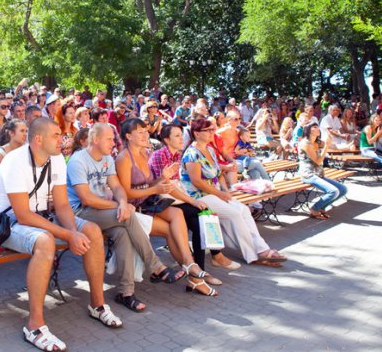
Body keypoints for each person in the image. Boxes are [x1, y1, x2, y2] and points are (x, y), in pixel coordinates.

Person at [0, 118, 122, 351]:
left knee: (91, 230)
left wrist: (73, 232)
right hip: (7, 223)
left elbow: (62, 205)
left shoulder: (57, 160)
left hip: (41, 217)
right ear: (38, 139)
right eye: (56, 135)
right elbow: (22, 215)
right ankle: (34, 325)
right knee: (45, 241)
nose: (62, 139)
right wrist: (66, 234)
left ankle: (98, 304)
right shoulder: (15, 161)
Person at [69, 124, 216, 312]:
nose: (114, 143)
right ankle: (156, 267)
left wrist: (122, 202)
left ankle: (126, 293)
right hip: (81, 214)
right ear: (95, 139)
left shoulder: (106, 158)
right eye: (109, 139)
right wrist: (122, 205)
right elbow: (86, 199)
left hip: (103, 211)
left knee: (124, 234)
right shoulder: (78, 160)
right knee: (130, 217)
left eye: (113, 139)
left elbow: (117, 188)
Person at [115, 118, 220, 294]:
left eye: (145, 131)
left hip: (147, 204)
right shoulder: (124, 158)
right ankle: (194, 274)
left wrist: (162, 178)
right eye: (139, 132)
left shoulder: (145, 153)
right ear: (128, 136)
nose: (145, 134)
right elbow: (125, 193)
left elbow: (150, 186)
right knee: (176, 227)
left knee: (178, 214)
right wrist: (157, 187)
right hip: (132, 209)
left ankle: (191, 266)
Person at [180, 118, 287, 267]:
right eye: (208, 130)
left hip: (214, 192)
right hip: (198, 196)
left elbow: (218, 173)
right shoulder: (192, 153)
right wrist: (220, 194)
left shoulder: (209, 149)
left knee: (243, 209)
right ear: (197, 133)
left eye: (213, 129)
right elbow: (196, 181)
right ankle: (253, 254)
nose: (212, 132)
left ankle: (262, 249)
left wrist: (225, 190)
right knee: (235, 214)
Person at [149, 124, 239, 271]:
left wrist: (191, 200)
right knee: (203, 213)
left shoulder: (177, 154)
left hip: (176, 199)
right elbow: (166, 188)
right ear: (166, 139)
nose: (181, 139)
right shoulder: (159, 155)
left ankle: (201, 269)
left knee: (200, 221)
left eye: (181, 135)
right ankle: (210, 262)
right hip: (161, 201)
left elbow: (176, 185)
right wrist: (192, 201)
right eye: (177, 136)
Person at [297, 122, 349, 219]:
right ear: (308, 130)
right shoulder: (305, 143)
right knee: (333, 191)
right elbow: (317, 161)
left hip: (319, 174)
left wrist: (346, 146)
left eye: (318, 127)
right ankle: (314, 209)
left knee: (343, 189)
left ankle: (322, 207)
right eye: (315, 127)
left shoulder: (317, 142)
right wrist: (326, 148)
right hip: (308, 174)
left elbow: (333, 146)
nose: (318, 129)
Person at [360, 114, 382, 185]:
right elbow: (369, 141)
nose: (378, 121)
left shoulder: (378, 128)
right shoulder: (368, 128)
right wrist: (378, 133)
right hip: (366, 149)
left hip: (374, 148)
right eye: (376, 120)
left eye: (379, 120)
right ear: (372, 120)